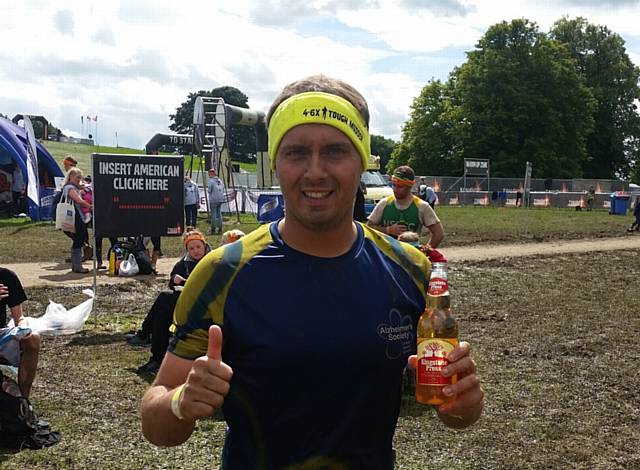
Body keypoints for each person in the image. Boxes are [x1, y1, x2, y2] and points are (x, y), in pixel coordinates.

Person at [140, 75, 483, 468]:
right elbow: (156, 424)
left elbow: (456, 414)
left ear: (362, 163)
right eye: (297, 152)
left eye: (335, 151)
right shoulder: (222, 271)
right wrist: (181, 403)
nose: (315, 171)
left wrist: (464, 401)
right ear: (276, 163)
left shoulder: (410, 269)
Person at [131, 229, 215, 374]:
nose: (195, 251)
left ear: (205, 245)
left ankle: (146, 337)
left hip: (208, 303)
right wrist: (176, 280)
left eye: (198, 247)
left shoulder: (214, 260)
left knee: (164, 299)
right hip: (188, 300)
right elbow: (173, 281)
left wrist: (187, 283)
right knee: (163, 309)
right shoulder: (185, 262)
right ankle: (156, 355)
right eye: (191, 248)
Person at [367, 165, 445, 248]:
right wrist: (388, 230)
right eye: (394, 185)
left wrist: (426, 252)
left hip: (410, 257)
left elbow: (438, 233)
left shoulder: (422, 207)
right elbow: (368, 227)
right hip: (385, 258)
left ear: (410, 186)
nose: (395, 189)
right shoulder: (385, 203)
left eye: (400, 186)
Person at [0, 268, 41, 399]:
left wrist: (23, 329)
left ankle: (24, 402)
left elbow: (19, 317)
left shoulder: (6, 276)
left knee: (33, 338)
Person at [61, 168, 92, 273]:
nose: (79, 179)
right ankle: (77, 266)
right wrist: (91, 206)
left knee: (78, 239)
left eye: (80, 177)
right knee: (79, 239)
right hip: (75, 217)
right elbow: (78, 200)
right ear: (71, 176)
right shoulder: (70, 188)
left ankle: (76, 265)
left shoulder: (73, 187)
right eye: (77, 177)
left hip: (77, 216)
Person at [207, 168, 225, 234]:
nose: (208, 175)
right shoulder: (220, 181)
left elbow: (209, 190)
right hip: (220, 198)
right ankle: (220, 228)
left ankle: (213, 228)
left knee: (213, 214)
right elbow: (223, 189)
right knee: (219, 214)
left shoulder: (211, 181)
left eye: (209, 173)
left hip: (213, 199)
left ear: (212, 173)